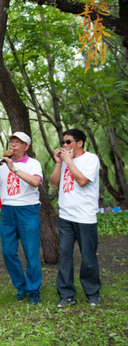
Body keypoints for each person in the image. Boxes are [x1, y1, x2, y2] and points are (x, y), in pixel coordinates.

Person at [0, 132, 43, 304]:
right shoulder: (2, 164)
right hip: (8, 211)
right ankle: (21, 286)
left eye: (18, 143)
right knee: (8, 252)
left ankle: (33, 290)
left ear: (26, 147)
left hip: (27, 210)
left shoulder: (32, 163)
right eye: (11, 142)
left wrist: (14, 169)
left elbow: (36, 182)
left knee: (31, 252)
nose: (13, 145)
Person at [50, 129, 102, 307]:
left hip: (85, 217)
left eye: (69, 142)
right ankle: (66, 294)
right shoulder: (64, 161)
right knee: (64, 256)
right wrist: (59, 163)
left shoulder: (91, 159)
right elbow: (54, 183)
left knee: (88, 257)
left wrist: (69, 162)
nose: (64, 145)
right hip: (65, 217)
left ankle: (93, 293)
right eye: (63, 142)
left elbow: (82, 181)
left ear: (79, 143)